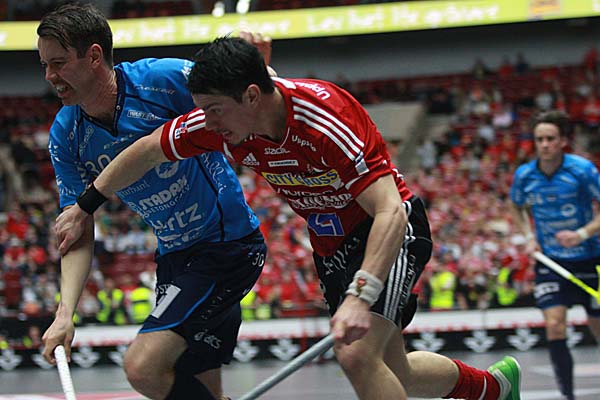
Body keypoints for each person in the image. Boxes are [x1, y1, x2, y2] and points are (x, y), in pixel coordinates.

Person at [55, 36, 522, 400]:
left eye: (214, 110)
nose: (207, 122)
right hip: (331, 247)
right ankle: (493, 389)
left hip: (386, 231)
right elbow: (148, 150)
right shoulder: (223, 123)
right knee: (392, 368)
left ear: (251, 96)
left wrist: (361, 295)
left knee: (357, 354)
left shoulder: (324, 119)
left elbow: (389, 211)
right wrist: (85, 206)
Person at [38, 5, 270, 400]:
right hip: (174, 260)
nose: (49, 76)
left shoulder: (163, 81)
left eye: (58, 63)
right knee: (194, 383)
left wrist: (255, 69)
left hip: (226, 246)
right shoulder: (66, 134)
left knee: (143, 368)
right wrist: (64, 315)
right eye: (44, 65)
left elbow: (239, 98)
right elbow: (76, 227)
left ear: (94, 56)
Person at [510, 110, 600, 400]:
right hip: (551, 262)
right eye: (539, 139)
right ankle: (568, 395)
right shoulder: (525, 175)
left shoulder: (582, 171)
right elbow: (515, 206)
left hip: (591, 259)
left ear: (563, 141)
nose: (545, 144)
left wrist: (582, 233)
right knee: (554, 325)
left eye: (550, 138)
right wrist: (528, 236)